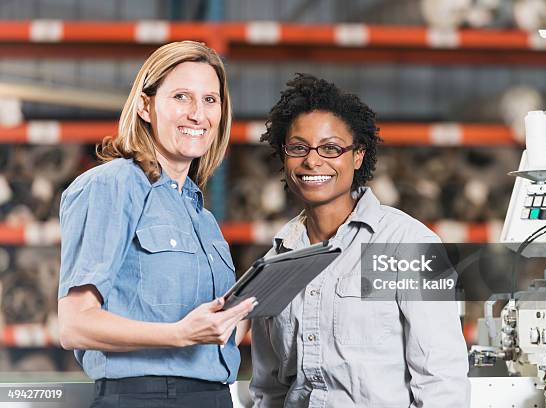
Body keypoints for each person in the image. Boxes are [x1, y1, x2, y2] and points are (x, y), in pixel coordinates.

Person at [250, 74, 470, 407]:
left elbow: (442, 380)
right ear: (284, 156)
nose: (312, 161)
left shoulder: (407, 245)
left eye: (331, 148)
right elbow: (269, 388)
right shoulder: (274, 262)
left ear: (357, 156)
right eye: (298, 147)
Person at [57, 41, 256, 408]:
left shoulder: (201, 214)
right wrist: (179, 334)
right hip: (145, 397)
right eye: (181, 97)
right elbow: (74, 325)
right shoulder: (113, 185)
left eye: (210, 100)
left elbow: (214, 330)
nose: (198, 114)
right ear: (146, 106)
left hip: (212, 396)